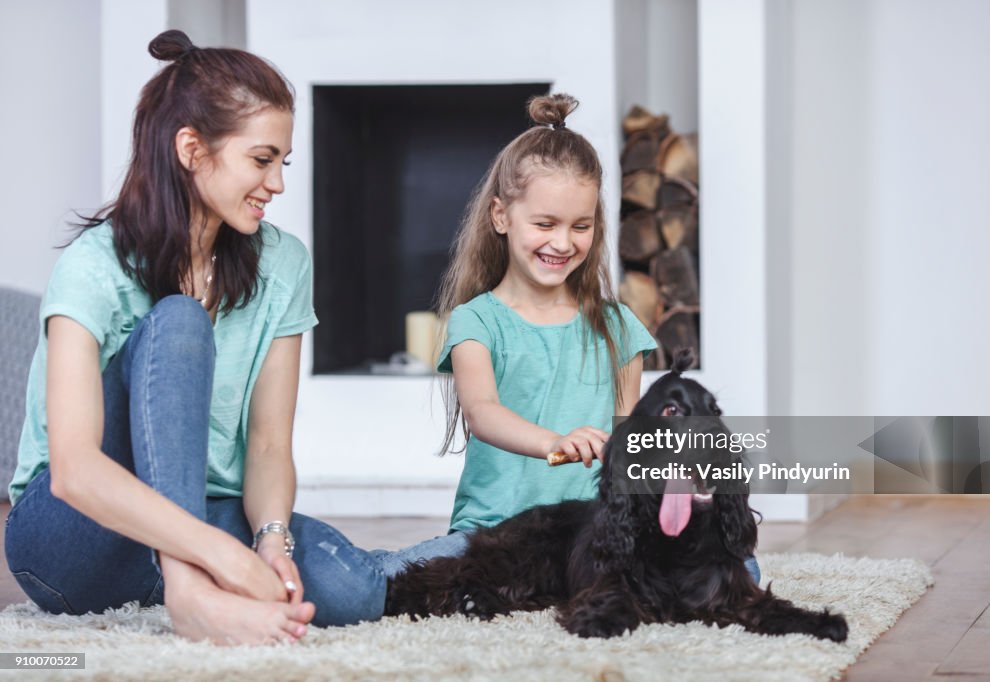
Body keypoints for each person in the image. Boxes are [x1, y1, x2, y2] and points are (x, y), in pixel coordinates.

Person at [4, 30, 384, 645]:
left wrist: (269, 540)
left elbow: (266, 446)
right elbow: (74, 471)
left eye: (282, 163)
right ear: (191, 148)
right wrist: (217, 556)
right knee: (180, 322)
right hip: (73, 535)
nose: (277, 184)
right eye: (261, 160)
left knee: (351, 589)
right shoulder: (95, 264)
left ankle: (189, 578)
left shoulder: (284, 264)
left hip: (198, 512)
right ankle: (186, 592)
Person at [374, 94, 660, 575]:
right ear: (501, 216)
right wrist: (556, 443)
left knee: (740, 574)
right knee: (382, 581)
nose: (563, 243)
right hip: (495, 533)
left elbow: (629, 444)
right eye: (545, 224)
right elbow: (483, 413)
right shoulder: (476, 321)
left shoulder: (620, 328)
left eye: (581, 226)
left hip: (592, 537)